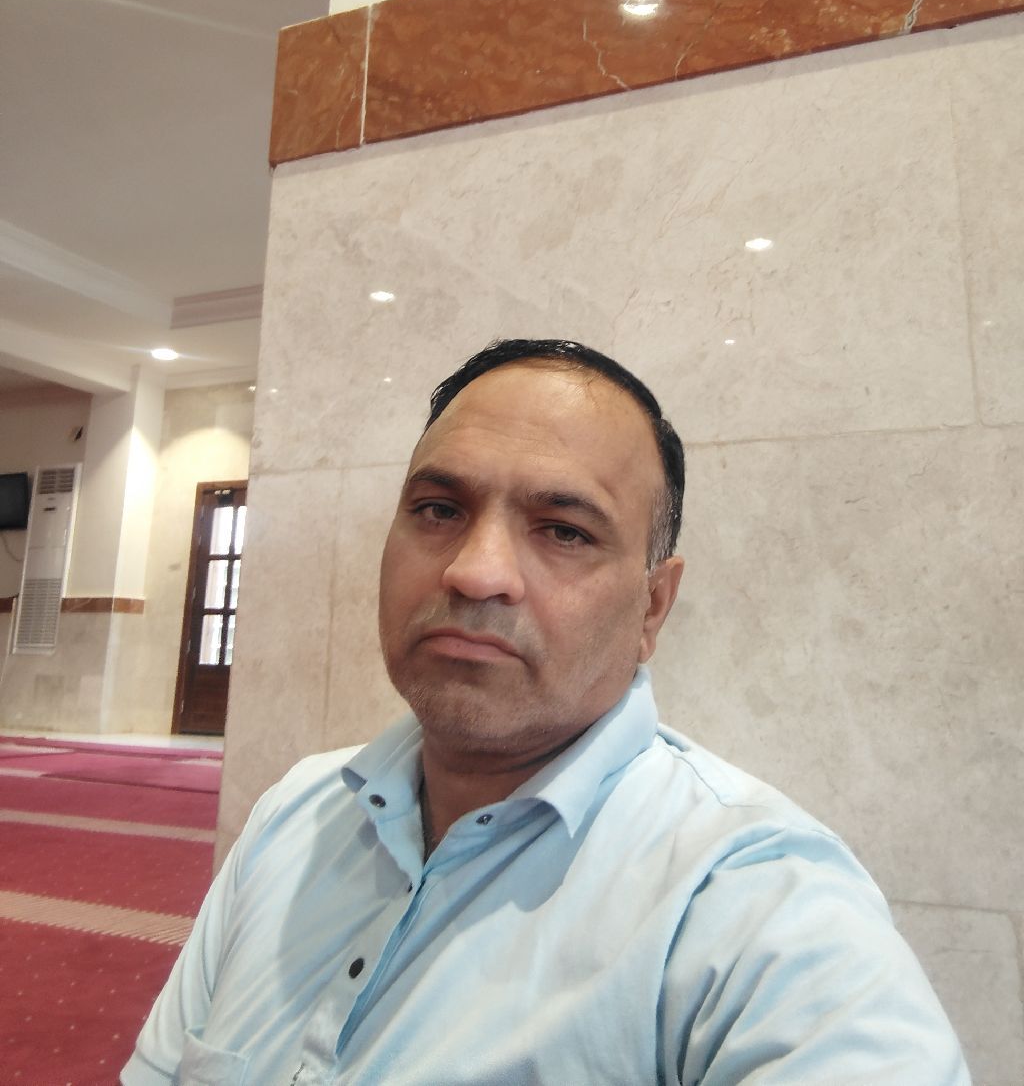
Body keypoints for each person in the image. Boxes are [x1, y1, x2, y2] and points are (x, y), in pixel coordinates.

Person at [123, 339, 970, 1085]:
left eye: (563, 529)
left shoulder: (753, 899)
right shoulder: (294, 816)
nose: (475, 570)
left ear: (652, 607)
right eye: (439, 510)